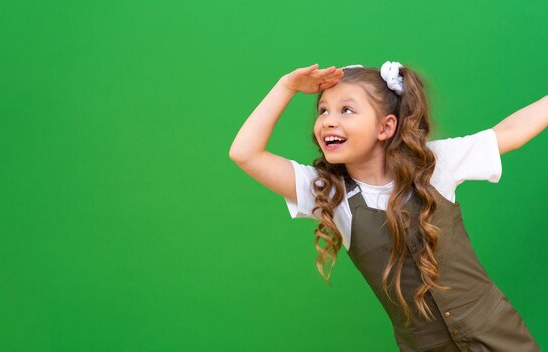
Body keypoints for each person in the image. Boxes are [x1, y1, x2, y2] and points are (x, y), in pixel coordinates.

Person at [229, 61, 546, 351]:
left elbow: (510, 133)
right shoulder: (330, 193)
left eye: (346, 110)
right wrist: (286, 87)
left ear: (386, 127)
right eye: (323, 111)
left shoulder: (434, 164)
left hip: (497, 333)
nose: (328, 121)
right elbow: (245, 153)